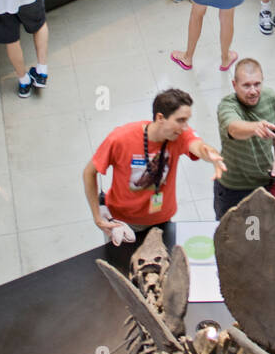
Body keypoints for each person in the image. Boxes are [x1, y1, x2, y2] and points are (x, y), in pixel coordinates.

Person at [83, 88, 226, 268]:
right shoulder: (120, 138)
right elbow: (89, 172)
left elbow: (198, 146)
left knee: (161, 273)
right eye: (180, 120)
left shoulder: (179, 136)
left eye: (187, 121)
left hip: (161, 221)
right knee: (124, 273)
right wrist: (97, 216)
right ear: (160, 118)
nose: (185, 127)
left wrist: (211, 155)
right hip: (123, 223)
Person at [214, 59, 275, 219]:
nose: (253, 91)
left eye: (257, 84)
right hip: (233, 187)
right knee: (230, 235)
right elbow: (233, 128)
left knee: (268, 231)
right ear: (234, 85)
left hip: (265, 182)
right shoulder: (227, 106)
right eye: (246, 85)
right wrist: (254, 128)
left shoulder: (271, 98)